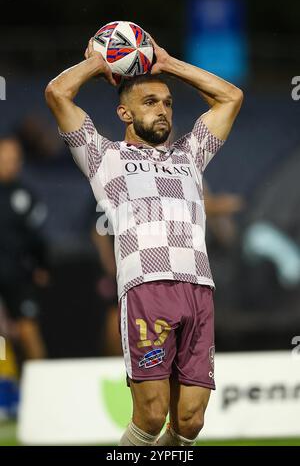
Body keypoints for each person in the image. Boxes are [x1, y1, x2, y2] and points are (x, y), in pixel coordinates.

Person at [45, 35, 243, 446]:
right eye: (150, 101)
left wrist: (167, 63)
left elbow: (230, 97)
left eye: (168, 102)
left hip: (199, 289)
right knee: (151, 417)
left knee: (189, 423)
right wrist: (99, 63)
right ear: (124, 112)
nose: (163, 110)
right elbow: (58, 92)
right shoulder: (103, 156)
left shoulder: (190, 155)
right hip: (147, 287)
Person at [0, 137, 48, 363]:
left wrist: (42, 265)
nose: (10, 162)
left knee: (28, 330)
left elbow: (37, 237)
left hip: (19, 277)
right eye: (5, 157)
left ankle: (41, 385)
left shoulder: (26, 196)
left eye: (15, 158)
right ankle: (7, 388)